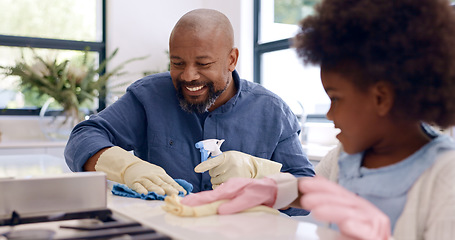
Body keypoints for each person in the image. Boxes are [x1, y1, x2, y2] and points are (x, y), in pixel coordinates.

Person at [176, 0, 455, 239]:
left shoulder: (445, 176)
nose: (330, 114)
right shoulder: (344, 157)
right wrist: (270, 187)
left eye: (335, 98)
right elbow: (308, 191)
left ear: (381, 98)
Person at [64, 8, 314, 205]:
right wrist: (128, 167)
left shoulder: (273, 112)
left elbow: (308, 192)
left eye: (203, 64)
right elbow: (83, 137)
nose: (188, 76)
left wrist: (261, 176)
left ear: (232, 59)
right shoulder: (149, 97)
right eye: (178, 63)